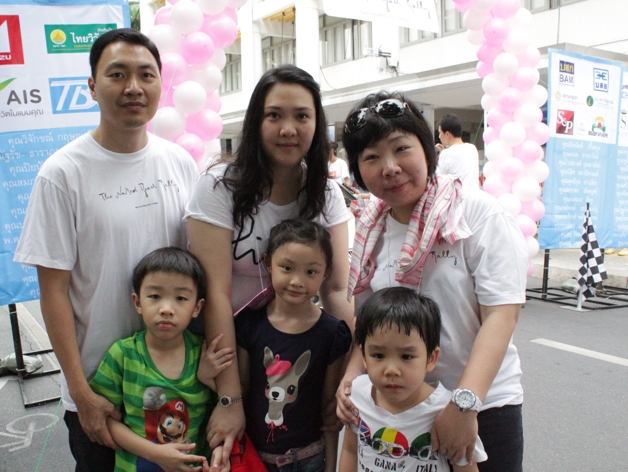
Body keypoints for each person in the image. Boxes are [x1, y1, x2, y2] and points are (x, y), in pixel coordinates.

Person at [14, 28, 199, 471]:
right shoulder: (62, 173)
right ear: (93, 86)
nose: (133, 87)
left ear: (160, 85)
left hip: (177, 382)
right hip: (103, 391)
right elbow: (53, 292)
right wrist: (80, 392)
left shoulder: (180, 163)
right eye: (117, 74)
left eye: (146, 75)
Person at [337, 91, 527, 472]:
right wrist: (352, 377)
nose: (390, 167)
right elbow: (370, 323)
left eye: (401, 149)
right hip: (400, 409)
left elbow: (501, 315)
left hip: (482, 407)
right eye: (372, 157)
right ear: (357, 171)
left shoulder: (475, 213)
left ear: (427, 151)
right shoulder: (370, 229)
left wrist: (464, 403)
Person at [185, 65, 354, 464]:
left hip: (289, 359)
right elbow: (216, 295)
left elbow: (336, 292)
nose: (288, 129)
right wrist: (230, 398)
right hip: (227, 358)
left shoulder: (326, 192)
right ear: (255, 122)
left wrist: (349, 378)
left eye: (302, 116)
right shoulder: (219, 187)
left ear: (317, 124)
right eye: (274, 115)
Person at [89, 247, 233, 472]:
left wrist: (209, 381)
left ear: (197, 307)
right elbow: (105, 419)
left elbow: (223, 413)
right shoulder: (122, 355)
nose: (166, 309)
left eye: (181, 298)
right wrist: (154, 453)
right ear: (138, 302)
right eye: (155, 296)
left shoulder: (203, 354)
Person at [235, 219, 352, 472]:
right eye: (287, 268)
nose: (297, 281)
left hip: (309, 460)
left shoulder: (333, 334)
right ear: (268, 263)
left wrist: (331, 467)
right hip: (254, 459)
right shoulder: (248, 325)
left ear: (326, 273)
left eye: (311, 272)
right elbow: (240, 390)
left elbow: (329, 411)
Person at [339, 287, 486, 472]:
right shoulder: (358, 394)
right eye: (378, 355)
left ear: (431, 359)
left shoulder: (445, 412)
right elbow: (350, 451)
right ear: (364, 356)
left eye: (406, 357)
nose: (391, 370)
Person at [435, 114, 480, 191]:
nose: (439, 136)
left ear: (447, 134)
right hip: (474, 196)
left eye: (440, 133)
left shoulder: (446, 154)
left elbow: (438, 180)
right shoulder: (472, 148)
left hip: (457, 197)